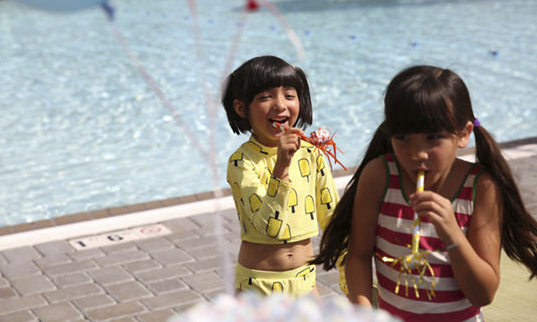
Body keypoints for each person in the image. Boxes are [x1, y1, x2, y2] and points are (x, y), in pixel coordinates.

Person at [313, 65, 537, 321]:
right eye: (403, 138)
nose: (417, 154)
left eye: (433, 137)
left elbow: (483, 294)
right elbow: (359, 257)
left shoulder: (481, 187)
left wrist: (453, 235)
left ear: (463, 134)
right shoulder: (379, 177)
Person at [222, 55, 339, 297]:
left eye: (289, 95)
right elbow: (268, 228)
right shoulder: (241, 162)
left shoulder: (312, 154)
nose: (280, 105)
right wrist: (281, 166)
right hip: (258, 286)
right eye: (266, 97)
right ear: (241, 108)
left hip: (305, 282)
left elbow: (332, 219)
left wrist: (352, 278)